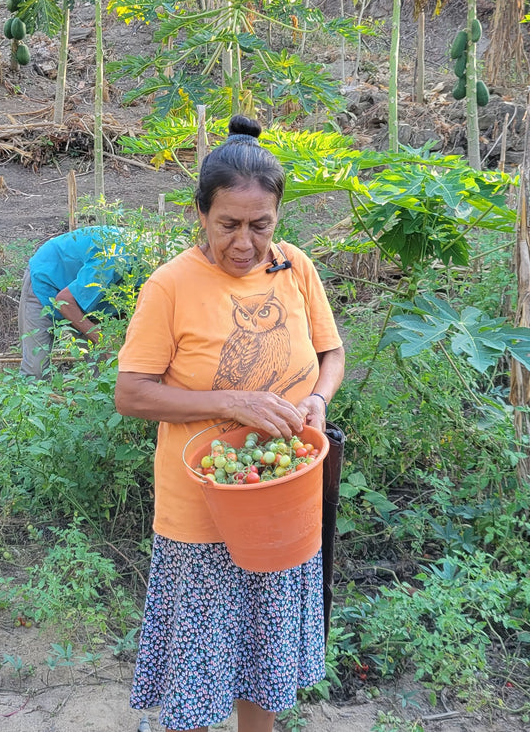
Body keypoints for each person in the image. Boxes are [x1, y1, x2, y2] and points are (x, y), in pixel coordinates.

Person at [114, 115, 346, 732]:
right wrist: (231, 403)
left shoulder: (295, 268)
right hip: (204, 510)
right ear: (201, 214)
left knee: (263, 661)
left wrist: (319, 399)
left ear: (278, 219)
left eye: (261, 225)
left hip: (283, 501)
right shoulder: (170, 286)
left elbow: (331, 353)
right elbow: (132, 394)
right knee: (199, 669)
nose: (245, 242)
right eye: (229, 225)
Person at [18, 224, 131, 378]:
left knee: (105, 367)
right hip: (47, 279)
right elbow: (63, 301)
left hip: (89, 297)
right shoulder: (115, 257)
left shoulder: (149, 266)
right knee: (36, 370)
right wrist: (103, 339)